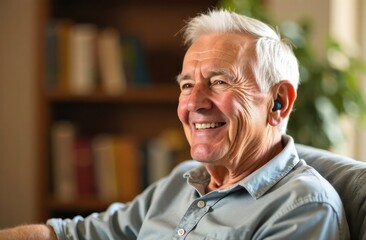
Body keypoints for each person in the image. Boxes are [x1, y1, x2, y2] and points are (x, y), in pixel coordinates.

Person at [0, 9, 349, 240]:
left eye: (219, 82)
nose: (193, 103)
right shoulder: (180, 182)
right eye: (186, 85)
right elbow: (71, 235)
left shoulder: (304, 207)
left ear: (278, 102)